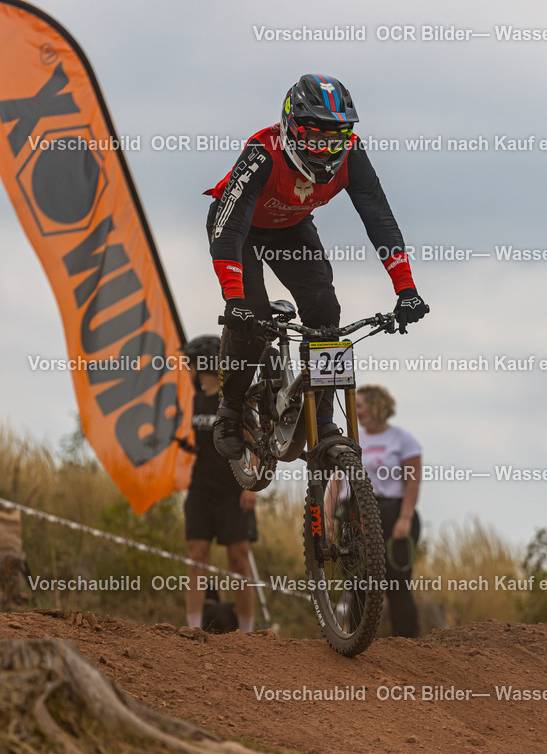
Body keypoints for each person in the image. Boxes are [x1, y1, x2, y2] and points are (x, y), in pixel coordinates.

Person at [204, 73, 430, 459]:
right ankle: (229, 411)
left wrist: (406, 289)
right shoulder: (263, 151)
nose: (326, 149)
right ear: (291, 128)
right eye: (316, 137)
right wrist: (234, 299)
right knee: (252, 316)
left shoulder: (353, 155)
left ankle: (322, 420)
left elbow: (379, 217)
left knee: (325, 311)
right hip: (239, 228)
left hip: (291, 229)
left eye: (336, 138)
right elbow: (229, 228)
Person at [180, 335, 257, 632]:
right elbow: (207, 443)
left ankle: (248, 631)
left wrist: (251, 486)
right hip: (200, 489)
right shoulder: (196, 399)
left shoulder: (233, 400)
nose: (188, 368)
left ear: (202, 363)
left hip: (233, 490)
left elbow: (253, 442)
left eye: (190, 362)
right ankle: (193, 627)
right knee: (196, 555)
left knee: (239, 560)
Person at [356, 385, 422, 638]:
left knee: (397, 583)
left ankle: (406, 643)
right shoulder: (355, 438)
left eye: (360, 405)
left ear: (375, 407)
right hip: (361, 514)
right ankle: (356, 641)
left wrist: (404, 518)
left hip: (394, 512)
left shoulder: (402, 439)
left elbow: (412, 481)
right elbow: (338, 480)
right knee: (359, 581)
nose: (357, 411)